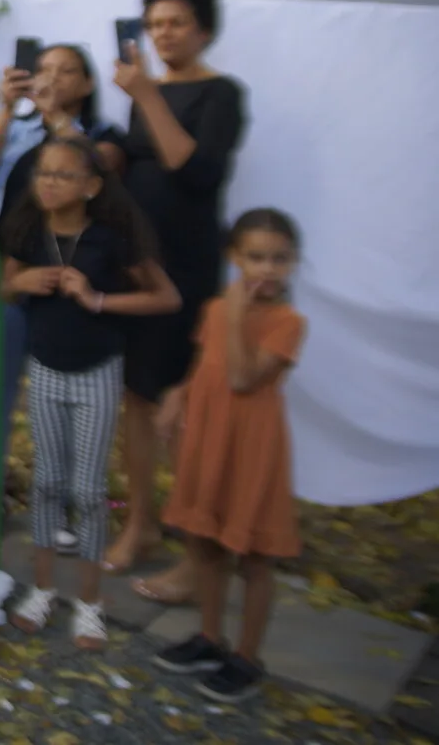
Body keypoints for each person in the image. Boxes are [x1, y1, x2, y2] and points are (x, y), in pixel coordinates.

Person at [0, 137, 178, 649]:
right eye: (43, 173)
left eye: (63, 175)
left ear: (93, 186)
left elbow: (165, 297)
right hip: (46, 368)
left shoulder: (112, 238)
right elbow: (3, 287)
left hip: (98, 371)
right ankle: (42, 589)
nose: (48, 183)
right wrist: (25, 280)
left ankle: (90, 603)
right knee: (48, 484)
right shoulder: (28, 229)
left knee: (89, 492)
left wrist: (98, 299)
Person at [104, 0, 246, 599]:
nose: (163, 34)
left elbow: (196, 174)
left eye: (176, 23)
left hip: (185, 273)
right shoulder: (145, 91)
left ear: (204, 31)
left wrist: (148, 96)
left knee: (181, 411)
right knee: (136, 400)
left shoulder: (221, 94)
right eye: (155, 23)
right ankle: (142, 525)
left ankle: (198, 552)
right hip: (136, 268)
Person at [154, 209, 305, 702]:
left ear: (294, 263)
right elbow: (207, 363)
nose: (266, 269)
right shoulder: (217, 309)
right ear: (235, 257)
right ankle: (210, 637)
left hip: (253, 448)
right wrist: (178, 397)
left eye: (278, 259)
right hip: (209, 439)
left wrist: (238, 314)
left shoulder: (288, 323)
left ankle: (246, 655)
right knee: (203, 540)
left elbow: (242, 378)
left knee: (256, 556)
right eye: (256, 257)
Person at [0, 44, 126, 479]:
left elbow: (101, 169)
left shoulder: (104, 134)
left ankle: (68, 503)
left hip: (69, 285)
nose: (51, 78)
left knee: (68, 403)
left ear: (88, 83)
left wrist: (56, 118)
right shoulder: (20, 129)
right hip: (15, 277)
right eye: (44, 70)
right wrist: (7, 109)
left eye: (66, 71)